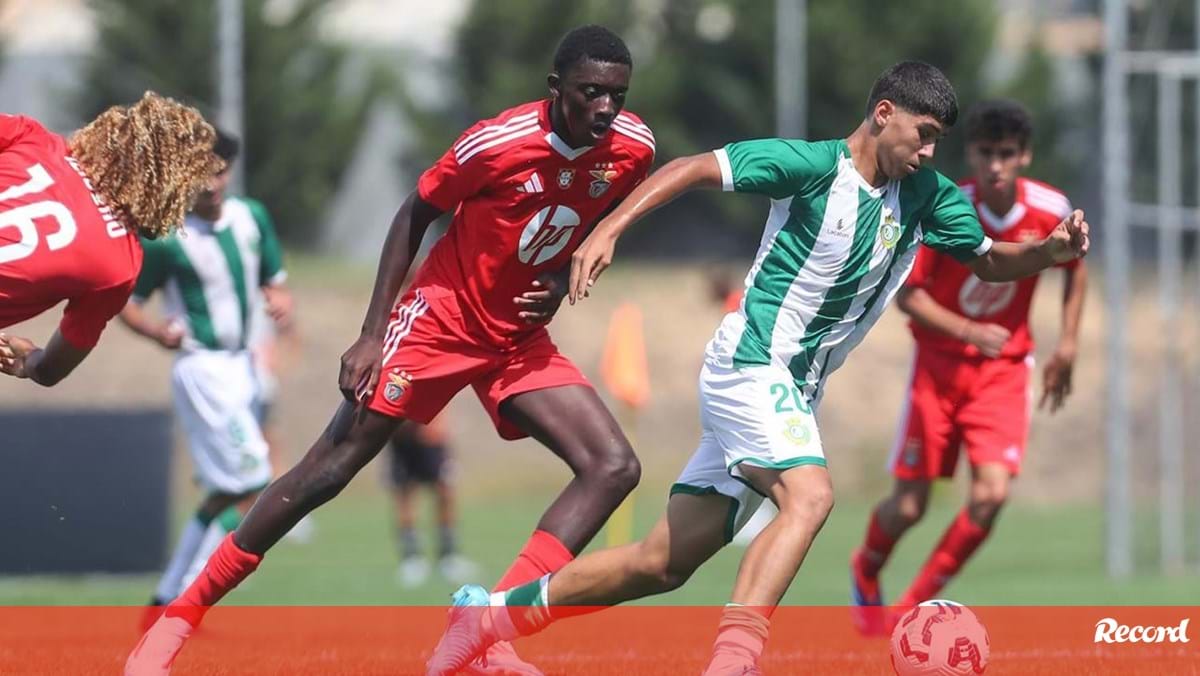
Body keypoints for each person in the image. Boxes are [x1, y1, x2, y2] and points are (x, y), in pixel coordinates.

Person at [425, 61, 1089, 676]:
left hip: (789, 391)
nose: (928, 153)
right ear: (883, 113)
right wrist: (609, 229)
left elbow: (991, 259)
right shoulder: (807, 166)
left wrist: (1050, 251)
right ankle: (735, 660)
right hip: (751, 364)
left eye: (938, 141)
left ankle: (485, 618)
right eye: (922, 135)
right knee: (810, 496)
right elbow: (690, 168)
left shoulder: (927, 196)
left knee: (662, 563)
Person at [126, 24, 655, 676]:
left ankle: (487, 632)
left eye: (617, 94)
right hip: (438, 321)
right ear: (556, 88)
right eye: (590, 92)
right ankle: (179, 619)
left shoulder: (632, 147)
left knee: (613, 466)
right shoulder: (497, 142)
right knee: (329, 469)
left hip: (516, 337)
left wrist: (554, 278)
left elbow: (596, 216)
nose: (605, 107)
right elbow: (413, 213)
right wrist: (375, 332)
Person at [848, 99, 1088, 632]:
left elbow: (1074, 264)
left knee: (992, 494)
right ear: (973, 155)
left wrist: (1067, 343)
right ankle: (865, 567)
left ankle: (912, 605)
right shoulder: (946, 205)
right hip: (938, 369)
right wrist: (967, 331)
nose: (996, 165)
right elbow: (909, 296)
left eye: (1007, 154)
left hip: (1003, 372)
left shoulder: (1051, 209)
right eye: (986, 153)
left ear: (1024, 156)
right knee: (908, 508)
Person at [117, 129, 294, 627]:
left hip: (244, 366)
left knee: (225, 487)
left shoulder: (251, 218)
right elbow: (126, 306)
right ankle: (188, 602)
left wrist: (281, 302)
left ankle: (165, 599)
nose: (211, 183)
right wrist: (156, 333)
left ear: (229, 170)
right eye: (200, 173)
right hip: (203, 368)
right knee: (254, 477)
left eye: (218, 171)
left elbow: (276, 284)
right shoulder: (169, 238)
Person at [0, 93, 221, 386]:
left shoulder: (34, 138)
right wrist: (27, 358)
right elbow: (50, 369)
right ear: (170, 189)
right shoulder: (119, 265)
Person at [387, 415, 479, 588]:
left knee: (445, 491)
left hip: (432, 437)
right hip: (401, 437)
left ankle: (448, 556)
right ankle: (412, 557)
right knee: (405, 493)